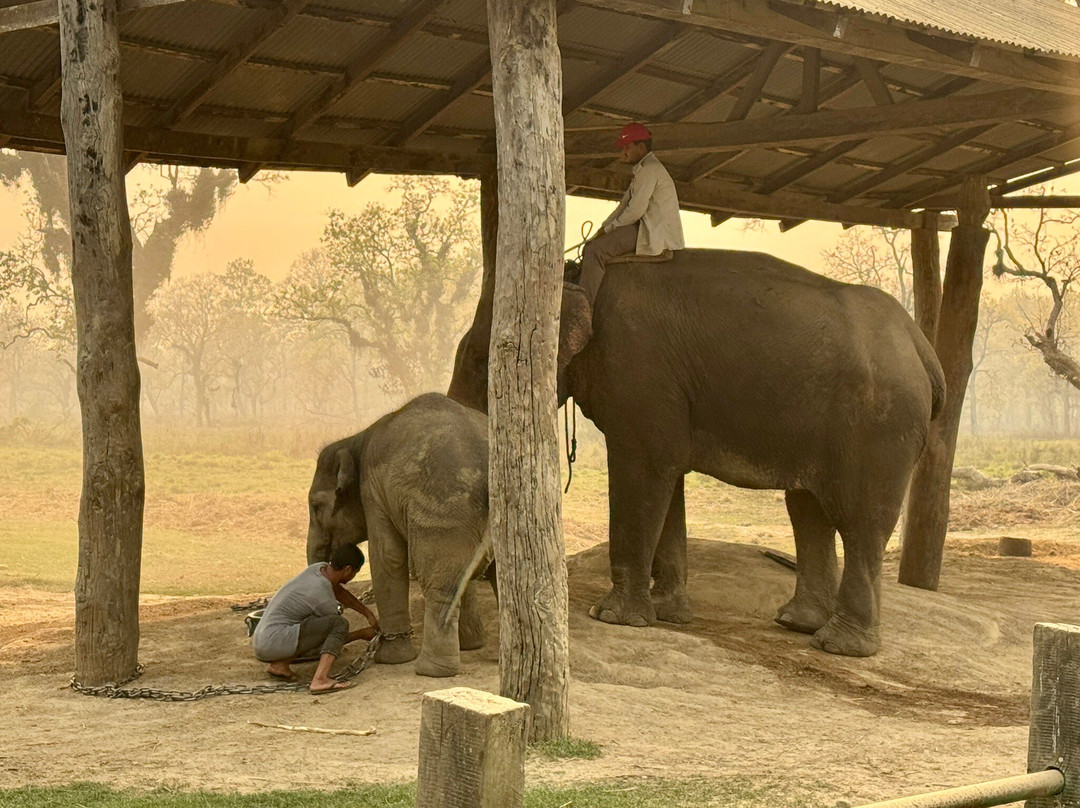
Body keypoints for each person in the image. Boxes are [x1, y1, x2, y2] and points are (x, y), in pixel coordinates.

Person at [578, 121, 685, 303]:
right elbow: (623, 207)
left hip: (653, 232)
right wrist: (603, 229)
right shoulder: (644, 170)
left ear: (641, 147)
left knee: (596, 250)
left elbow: (635, 211)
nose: (623, 152)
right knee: (594, 244)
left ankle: (583, 305)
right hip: (644, 227)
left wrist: (609, 229)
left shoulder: (649, 170)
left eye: (627, 147)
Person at [252, 543, 379, 694]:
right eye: (355, 573)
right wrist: (361, 634)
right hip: (273, 642)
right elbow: (331, 636)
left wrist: (367, 613)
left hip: (263, 639)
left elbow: (338, 591)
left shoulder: (319, 568)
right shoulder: (322, 596)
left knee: (313, 624)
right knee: (339, 623)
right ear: (347, 569)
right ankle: (320, 679)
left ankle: (280, 665)